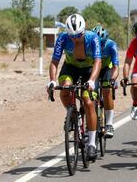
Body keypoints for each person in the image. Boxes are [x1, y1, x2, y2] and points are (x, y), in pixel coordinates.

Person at [47, 14, 101, 160]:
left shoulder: (93, 38)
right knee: (64, 89)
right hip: (70, 67)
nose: (75, 39)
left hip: (89, 69)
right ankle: (72, 113)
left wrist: (91, 81)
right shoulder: (63, 38)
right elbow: (54, 61)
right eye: (72, 36)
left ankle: (91, 143)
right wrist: (52, 80)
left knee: (88, 102)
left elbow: (97, 61)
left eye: (78, 35)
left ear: (83, 31)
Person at [92, 25, 119, 138]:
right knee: (91, 93)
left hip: (107, 68)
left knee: (107, 89)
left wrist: (113, 79)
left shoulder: (111, 45)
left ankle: (109, 124)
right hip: (95, 68)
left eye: (102, 44)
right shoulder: (90, 44)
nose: (100, 46)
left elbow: (116, 67)